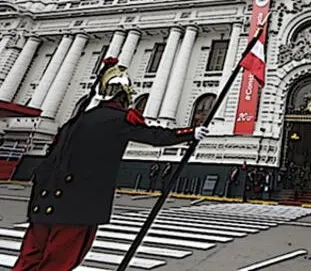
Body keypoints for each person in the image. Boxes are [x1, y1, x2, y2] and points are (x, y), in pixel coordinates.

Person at [12, 57, 209, 271]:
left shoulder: (75, 121)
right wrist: (191, 133)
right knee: (59, 262)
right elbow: (154, 136)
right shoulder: (118, 119)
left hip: (43, 202)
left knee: (29, 258)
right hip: (77, 204)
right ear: (124, 97)